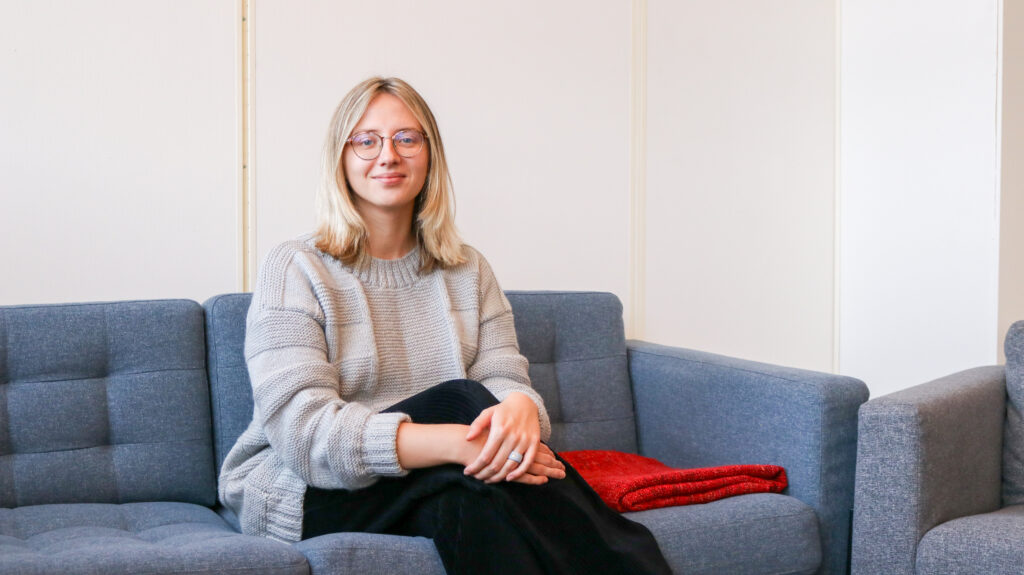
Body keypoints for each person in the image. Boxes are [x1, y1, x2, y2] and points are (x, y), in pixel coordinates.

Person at [218, 76, 671, 575]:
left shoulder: (467, 269)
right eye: (366, 140)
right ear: (341, 160)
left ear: (430, 155)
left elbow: (507, 381)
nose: (388, 155)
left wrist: (520, 406)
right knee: (461, 400)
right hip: (302, 487)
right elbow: (305, 434)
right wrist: (459, 441)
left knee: (471, 501)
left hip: (446, 476)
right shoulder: (296, 267)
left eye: (407, 138)